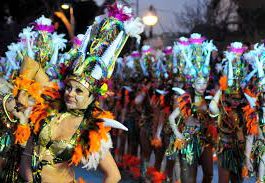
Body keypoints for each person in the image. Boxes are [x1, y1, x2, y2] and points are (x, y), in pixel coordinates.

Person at [0, 1, 144, 182]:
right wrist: (21, 94)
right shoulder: (51, 102)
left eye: (79, 91)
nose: (70, 93)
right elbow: (31, 63)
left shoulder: (90, 129)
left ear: (92, 96)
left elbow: (113, 175)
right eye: (69, 87)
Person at [167, 33, 217, 183]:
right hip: (189, 142)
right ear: (193, 84)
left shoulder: (209, 100)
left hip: (205, 141)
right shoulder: (185, 100)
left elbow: (215, 116)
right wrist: (177, 133)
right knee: (190, 178)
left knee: (209, 174)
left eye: (204, 83)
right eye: (199, 83)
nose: (202, 86)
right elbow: (171, 117)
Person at [209, 42, 249, 183]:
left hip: (241, 148)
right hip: (225, 147)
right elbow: (212, 108)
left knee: (238, 180)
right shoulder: (221, 101)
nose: (234, 100)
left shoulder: (246, 103)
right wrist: (221, 90)